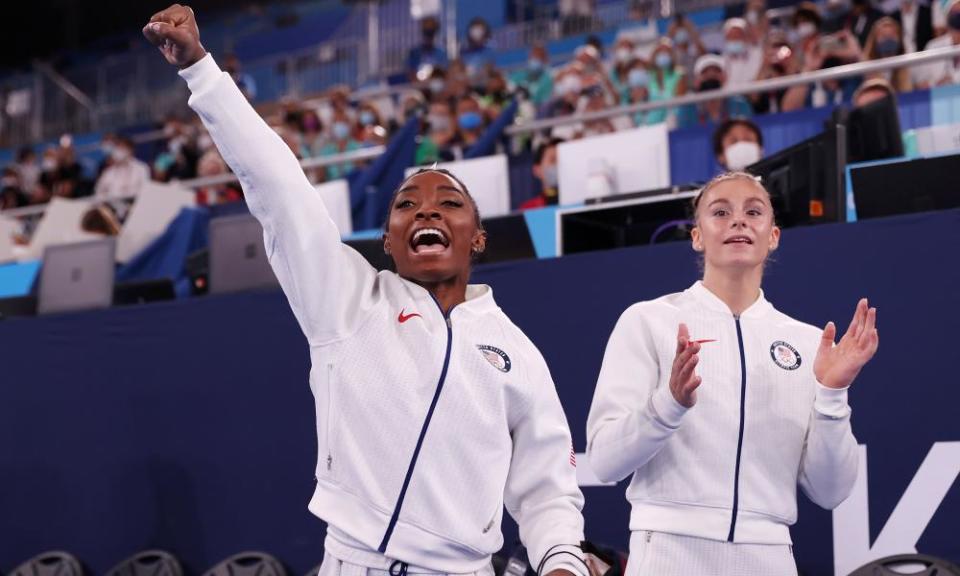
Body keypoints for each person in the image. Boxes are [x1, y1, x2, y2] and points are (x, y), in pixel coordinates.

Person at [145, 8, 589, 576]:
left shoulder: (517, 354)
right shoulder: (345, 301)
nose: (426, 207)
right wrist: (203, 73)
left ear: (477, 237)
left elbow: (548, 487)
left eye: (449, 203)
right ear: (388, 239)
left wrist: (562, 563)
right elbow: (280, 191)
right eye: (407, 203)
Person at [586, 171, 878, 576]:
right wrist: (667, 406)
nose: (738, 221)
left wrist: (832, 394)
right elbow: (603, 461)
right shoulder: (648, 321)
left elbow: (831, 492)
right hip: (668, 554)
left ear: (773, 236)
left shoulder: (811, 344)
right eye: (720, 212)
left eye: (753, 212)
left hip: (770, 557)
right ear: (697, 236)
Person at [676, 55, 753, 129]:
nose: (711, 74)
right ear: (696, 81)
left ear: (725, 77)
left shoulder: (739, 103)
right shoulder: (687, 108)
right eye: (705, 72)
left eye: (716, 70)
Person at [914, 0, 960, 89]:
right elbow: (921, 81)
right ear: (947, 17)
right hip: (937, 97)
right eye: (954, 13)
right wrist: (936, 84)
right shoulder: (932, 46)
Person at [862, 17, 913, 93]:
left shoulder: (910, 63)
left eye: (892, 35)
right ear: (875, 40)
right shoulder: (865, 67)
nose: (888, 39)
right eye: (883, 36)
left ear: (900, 39)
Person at [94, 136, 150, 201]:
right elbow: (99, 191)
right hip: (112, 204)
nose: (118, 151)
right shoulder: (109, 172)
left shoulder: (141, 168)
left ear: (130, 150)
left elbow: (145, 189)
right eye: (117, 148)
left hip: (135, 202)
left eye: (121, 148)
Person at [520, 138, 563, 211]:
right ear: (537, 170)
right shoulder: (528, 209)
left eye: (562, 160)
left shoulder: (582, 201)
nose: (558, 165)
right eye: (553, 160)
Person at [722, 18, 763, 88]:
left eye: (738, 35)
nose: (735, 38)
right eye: (731, 36)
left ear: (746, 36)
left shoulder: (758, 54)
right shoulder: (721, 61)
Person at [407, 16, 448, 82]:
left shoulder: (441, 54)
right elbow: (410, 72)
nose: (428, 36)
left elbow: (444, 73)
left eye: (431, 33)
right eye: (426, 32)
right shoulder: (414, 53)